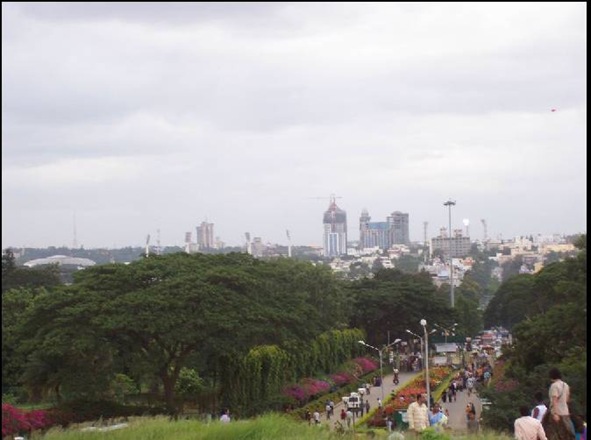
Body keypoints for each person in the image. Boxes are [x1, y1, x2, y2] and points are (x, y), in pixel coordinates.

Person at [543, 367, 575, 439]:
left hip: (557, 413)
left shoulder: (554, 386)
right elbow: (567, 400)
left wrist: (555, 413)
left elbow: (555, 400)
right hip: (565, 412)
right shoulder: (566, 385)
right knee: (565, 434)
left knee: (554, 435)